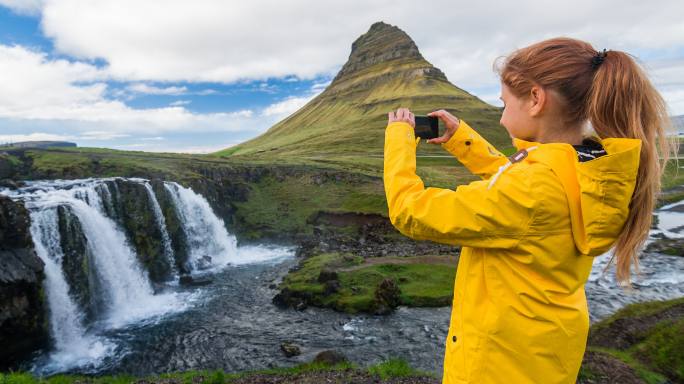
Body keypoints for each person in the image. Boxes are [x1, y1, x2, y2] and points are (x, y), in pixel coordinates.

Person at [383, 37, 679, 384]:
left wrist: (399, 140)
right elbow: (519, 188)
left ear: (536, 100)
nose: (502, 114)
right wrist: (462, 141)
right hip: (544, 355)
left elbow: (410, 210)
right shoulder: (587, 166)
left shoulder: (533, 191)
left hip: (496, 366)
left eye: (504, 103)